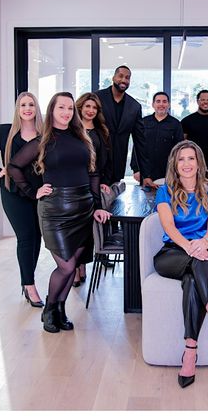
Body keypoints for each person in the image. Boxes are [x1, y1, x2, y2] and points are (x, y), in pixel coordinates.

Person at [9, 92, 112, 333]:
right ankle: (49, 309)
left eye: (69, 108)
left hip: (83, 208)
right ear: (52, 111)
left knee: (73, 264)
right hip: (55, 211)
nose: (66, 112)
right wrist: (33, 191)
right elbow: (14, 166)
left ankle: (59, 310)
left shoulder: (82, 138)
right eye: (61, 108)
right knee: (66, 266)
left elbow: (93, 174)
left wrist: (97, 206)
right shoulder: (43, 140)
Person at [153, 140, 208, 388]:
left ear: (199, 163)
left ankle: (190, 351)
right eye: (181, 159)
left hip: (205, 252)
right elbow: (169, 227)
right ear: (175, 164)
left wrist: (203, 242)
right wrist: (190, 246)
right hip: (173, 253)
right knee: (196, 262)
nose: (186, 164)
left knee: (193, 278)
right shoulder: (165, 192)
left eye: (191, 158)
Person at [0, 92, 45, 307]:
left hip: (38, 192)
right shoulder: (5, 132)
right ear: (17, 109)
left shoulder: (44, 133)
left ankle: (28, 279)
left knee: (37, 237)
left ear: (36, 108)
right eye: (23, 105)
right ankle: (29, 285)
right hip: (13, 192)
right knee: (26, 237)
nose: (27, 108)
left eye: (31, 104)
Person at [73, 92, 115, 287]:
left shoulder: (101, 132)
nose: (90, 110)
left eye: (94, 108)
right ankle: (75, 267)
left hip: (94, 181)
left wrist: (105, 181)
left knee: (88, 227)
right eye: (87, 106)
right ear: (80, 107)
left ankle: (82, 264)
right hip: (75, 182)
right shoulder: (72, 130)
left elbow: (107, 160)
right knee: (76, 226)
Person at [96, 66, 142, 182]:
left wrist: (144, 173)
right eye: (120, 76)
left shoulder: (135, 106)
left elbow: (140, 141)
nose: (124, 80)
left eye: (127, 77)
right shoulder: (97, 97)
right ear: (113, 77)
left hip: (118, 166)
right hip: (96, 163)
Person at [132, 91, 184, 189]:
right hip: (146, 172)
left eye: (164, 101)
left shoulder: (175, 124)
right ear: (153, 104)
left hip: (168, 172)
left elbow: (180, 149)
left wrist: (178, 170)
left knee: (167, 197)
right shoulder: (143, 122)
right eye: (158, 101)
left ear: (169, 105)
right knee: (145, 197)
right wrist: (136, 169)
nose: (161, 104)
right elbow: (137, 146)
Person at [180, 89, 208, 168]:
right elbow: (181, 145)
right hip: (191, 164)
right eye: (202, 100)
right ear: (197, 101)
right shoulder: (186, 121)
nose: (205, 102)